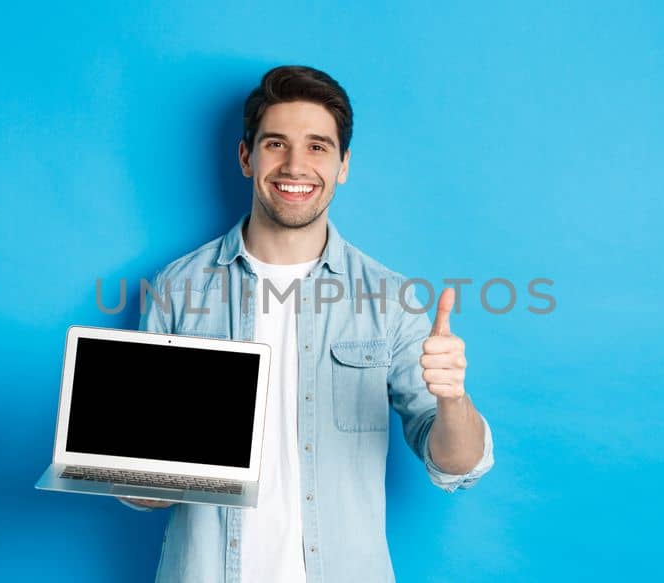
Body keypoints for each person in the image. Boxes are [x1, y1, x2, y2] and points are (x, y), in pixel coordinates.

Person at [119, 65, 495, 582]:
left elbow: (458, 466)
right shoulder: (177, 289)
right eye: (276, 144)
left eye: (318, 147)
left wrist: (453, 400)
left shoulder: (389, 299)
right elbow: (146, 493)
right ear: (247, 157)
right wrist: (118, 460)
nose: (296, 165)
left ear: (343, 165)